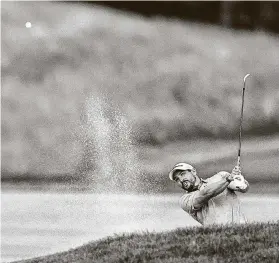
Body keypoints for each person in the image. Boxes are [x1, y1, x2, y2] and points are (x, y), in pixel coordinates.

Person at [169, 162, 249, 226]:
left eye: (183, 174)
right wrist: (228, 179)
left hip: (241, 229)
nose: (181, 180)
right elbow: (205, 194)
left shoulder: (221, 176)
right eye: (177, 179)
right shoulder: (185, 200)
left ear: (193, 171)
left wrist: (240, 180)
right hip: (217, 238)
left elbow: (244, 188)